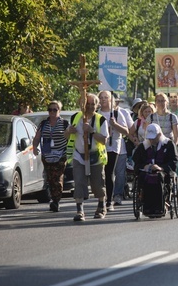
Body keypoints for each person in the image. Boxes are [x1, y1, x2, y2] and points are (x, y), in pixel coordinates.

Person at [65, 93, 109, 221]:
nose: (89, 107)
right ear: (82, 104)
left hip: (95, 155)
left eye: (92, 104)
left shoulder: (101, 120)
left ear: (97, 105)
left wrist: (92, 131)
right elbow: (66, 136)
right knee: (79, 181)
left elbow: (104, 140)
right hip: (79, 155)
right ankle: (80, 210)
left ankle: (101, 206)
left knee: (98, 183)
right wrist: (69, 131)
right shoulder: (75, 117)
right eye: (87, 104)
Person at [132, 123, 178, 214]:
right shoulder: (143, 147)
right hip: (146, 172)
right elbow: (137, 164)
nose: (151, 140)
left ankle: (162, 203)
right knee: (143, 177)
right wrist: (145, 167)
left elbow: (174, 162)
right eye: (149, 138)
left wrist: (161, 168)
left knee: (160, 177)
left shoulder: (168, 145)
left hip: (163, 172)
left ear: (159, 135)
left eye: (153, 137)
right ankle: (145, 204)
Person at [32, 100, 69, 212]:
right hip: (47, 154)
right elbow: (37, 137)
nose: (52, 112)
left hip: (60, 154)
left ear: (59, 111)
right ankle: (53, 197)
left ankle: (56, 201)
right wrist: (34, 147)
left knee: (57, 178)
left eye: (55, 109)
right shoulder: (44, 124)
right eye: (50, 109)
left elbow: (69, 137)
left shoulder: (64, 123)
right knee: (50, 178)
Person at [98, 90, 129, 211]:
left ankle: (109, 201)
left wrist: (115, 124)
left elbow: (126, 131)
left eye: (106, 97)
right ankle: (102, 198)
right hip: (100, 146)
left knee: (109, 172)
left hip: (113, 146)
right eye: (102, 97)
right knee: (100, 174)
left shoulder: (116, 114)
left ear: (111, 100)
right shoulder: (97, 114)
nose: (104, 99)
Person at [112, 92, 135, 206]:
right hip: (104, 148)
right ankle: (107, 195)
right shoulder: (100, 113)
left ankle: (118, 195)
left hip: (120, 148)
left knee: (120, 174)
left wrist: (118, 127)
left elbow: (131, 129)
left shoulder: (124, 112)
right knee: (107, 173)